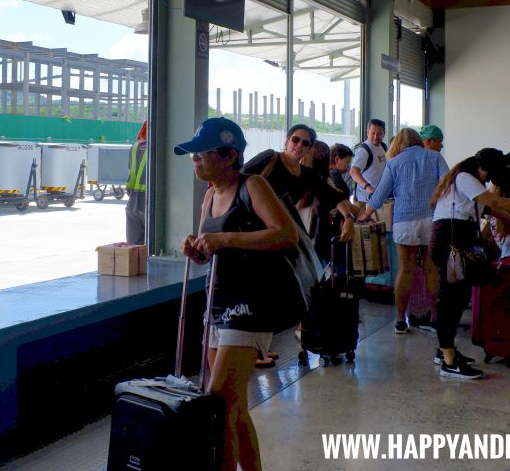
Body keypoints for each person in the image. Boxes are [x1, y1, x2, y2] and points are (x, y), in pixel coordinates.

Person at [177, 117, 297, 471]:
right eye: (193, 156)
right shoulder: (211, 194)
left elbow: (285, 235)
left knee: (219, 403)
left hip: (250, 306)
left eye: (202, 154)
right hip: (218, 304)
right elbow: (210, 252)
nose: (195, 161)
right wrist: (196, 248)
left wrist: (225, 238)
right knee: (234, 406)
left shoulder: (253, 186)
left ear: (229, 155)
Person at [429, 148, 510, 379]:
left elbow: (488, 208)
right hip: (451, 239)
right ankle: (449, 363)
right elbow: (493, 201)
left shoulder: (470, 180)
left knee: (459, 296)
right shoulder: (465, 178)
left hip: (459, 237)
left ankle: (445, 352)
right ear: (487, 169)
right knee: (451, 298)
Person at [243, 124, 358, 366]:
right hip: (253, 234)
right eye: (296, 139)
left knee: (268, 293)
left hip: (274, 239)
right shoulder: (270, 159)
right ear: (286, 140)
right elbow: (238, 180)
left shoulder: (305, 175)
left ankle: (260, 347)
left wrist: (348, 217)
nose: (299, 145)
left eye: (306, 143)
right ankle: (253, 350)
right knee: (257, 292)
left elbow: (333, 196)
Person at [365, 127, 449, 335]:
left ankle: (401, 320)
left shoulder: (393, 163)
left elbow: (379, 197)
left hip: (404, 221)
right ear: (419, 141)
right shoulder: (435, 157)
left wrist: (363, 214)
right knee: (432, 269)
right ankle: (435, 317)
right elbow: (447, 185)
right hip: (432, 219)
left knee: (406, 269)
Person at [350, 119, 388, 210]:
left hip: (377, 198)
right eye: (373, 133)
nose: (375, 137)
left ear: (384, 134)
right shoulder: (363, 151)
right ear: (367, 133)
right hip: (364, 200)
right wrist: (368, 187)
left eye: (379, 134)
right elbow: (353, 171)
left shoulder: (382, 147)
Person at [124, 121, 148, 245]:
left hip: (132, 202)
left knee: (134, 249)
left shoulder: (134, 147)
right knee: (150, 249)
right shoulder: (156, 146)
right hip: (149, 203)